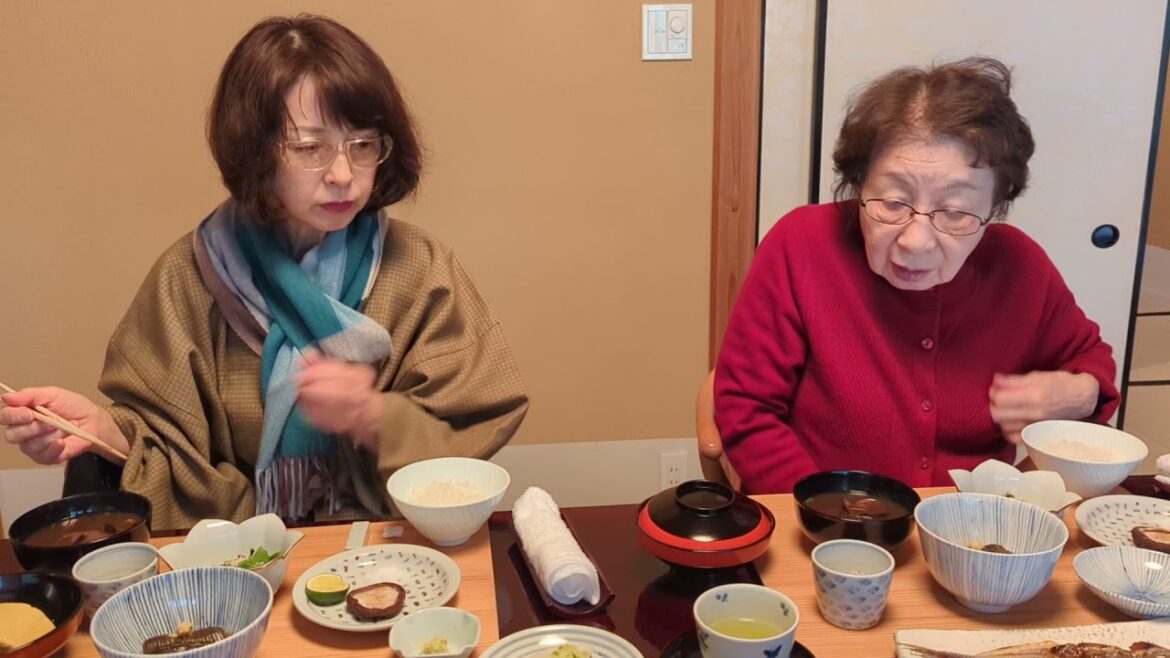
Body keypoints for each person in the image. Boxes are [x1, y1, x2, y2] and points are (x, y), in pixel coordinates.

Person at [0, 15, 529, 529]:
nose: (343, 174)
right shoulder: (188, 276)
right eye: (310, 148)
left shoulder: (418, 266)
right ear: (253, 151)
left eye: (363, 145)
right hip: (240, 557)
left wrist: (374, 416)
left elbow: (472, 421)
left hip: (386, 547)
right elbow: (165, 442)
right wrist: (102, 430)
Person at [714, 57, 1119, 494]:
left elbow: (1089, 359)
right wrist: (827, 513)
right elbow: (747, 407)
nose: (916, 242)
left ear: (994, 209)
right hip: (822, 518)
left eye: (956, 211)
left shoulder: (1020, 264)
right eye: (893, 203)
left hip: (974, 523)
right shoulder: (802, 245)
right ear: (858, 186)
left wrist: (1080, 393)